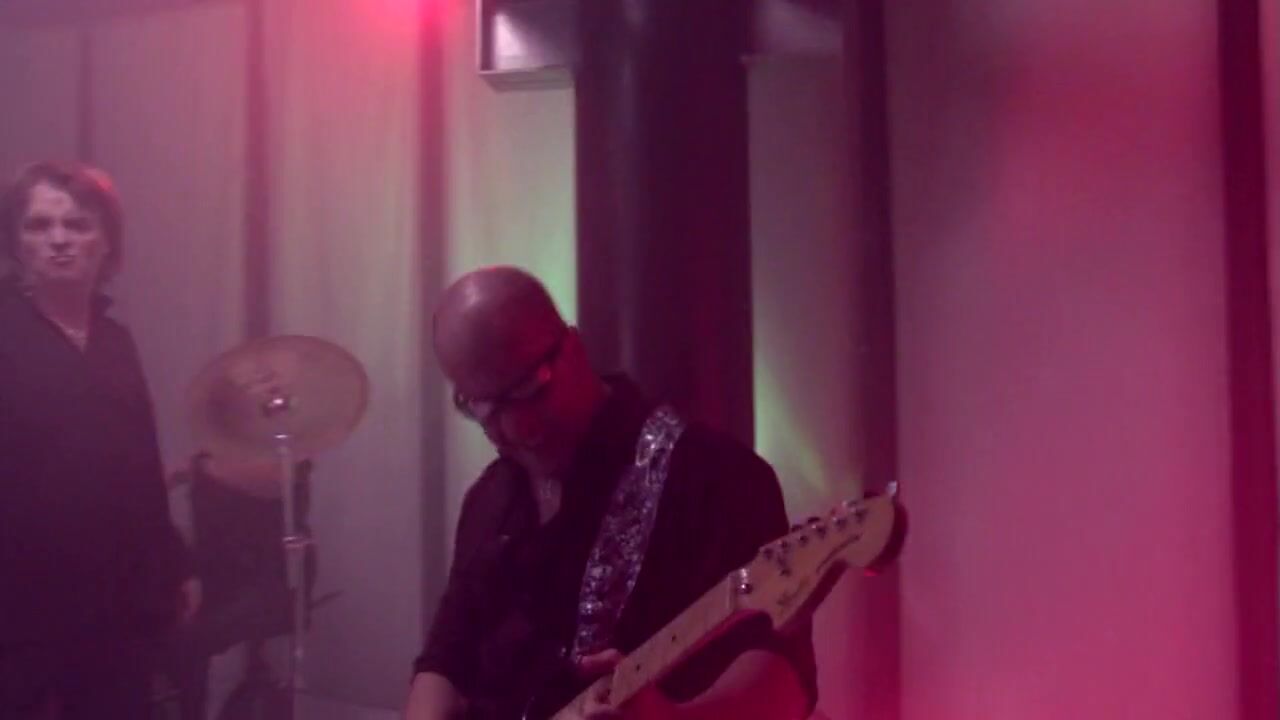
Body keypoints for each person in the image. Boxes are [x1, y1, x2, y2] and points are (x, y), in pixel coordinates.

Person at [405, 266, 816, 720]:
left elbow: (783, 683)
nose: (519, 427)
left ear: (573, 348)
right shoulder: (490, 499)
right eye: (488, 407)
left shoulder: (715, 478)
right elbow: (444, 662)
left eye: (530, 388)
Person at [0, 161, 197, 718]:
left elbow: (140, 464)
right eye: (39, 225)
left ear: (106, 242)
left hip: (116, 607)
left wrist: (174, 564)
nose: (59, 239)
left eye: (78, 224)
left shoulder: (115, 342)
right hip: (20, 610)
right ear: (16, 243)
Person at [160, 452, 315, 720]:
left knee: (188, 644)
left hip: (262, 588)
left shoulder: (277, 462)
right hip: (218, 586)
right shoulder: (210, 464)